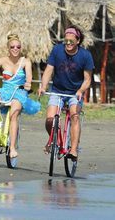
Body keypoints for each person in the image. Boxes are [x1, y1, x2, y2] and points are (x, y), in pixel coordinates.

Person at [0, 34, 40, 158]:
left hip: (19, 92)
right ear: (8, 48)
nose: (15, 49)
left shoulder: (25, 61)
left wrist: (28, 83)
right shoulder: (2, 60)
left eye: (18, 47)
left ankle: (12, 148)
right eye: (12, 47)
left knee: (14, 114)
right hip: (5, 91)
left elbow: (29, 76)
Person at [38, 26, 94, 161]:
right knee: (50, 119)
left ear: (78, 41)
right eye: (66, 41)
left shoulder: (85, 56)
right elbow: (48, 70)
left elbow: (87, 80)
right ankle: (53, 140)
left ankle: (73, 150)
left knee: (74, 115)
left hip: (75, 93)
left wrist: (80, 91)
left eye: (71, 42)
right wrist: (43, 86)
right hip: (57, 90)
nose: (68, 44)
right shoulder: (57, 50)